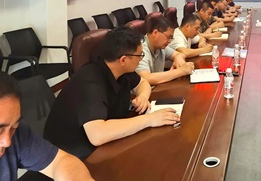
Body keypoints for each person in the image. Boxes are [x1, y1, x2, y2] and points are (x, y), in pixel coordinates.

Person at [44, 27, 179, 159]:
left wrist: (142, 97)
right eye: (140, 55)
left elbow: (142, 83)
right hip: (70, 154)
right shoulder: (90, 82)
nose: (140, 59)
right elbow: (97, 135)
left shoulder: (121, 69)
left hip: (104, 142)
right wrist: (149, 119)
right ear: (123, 60)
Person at [136, 17, 194, 85]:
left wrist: (178, 58)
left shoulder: (160, 47)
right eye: (168, 37)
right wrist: (181, 71)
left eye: (171, 38)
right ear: (155, 33)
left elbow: (180, 54)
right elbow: (146, 78)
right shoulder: (140, 49)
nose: (169, 41)